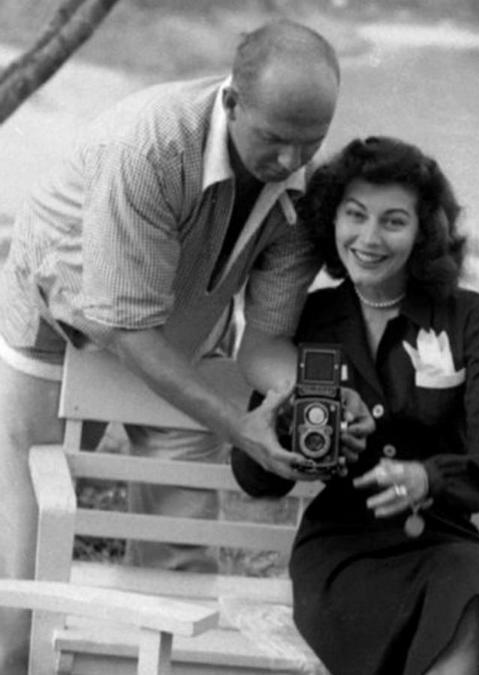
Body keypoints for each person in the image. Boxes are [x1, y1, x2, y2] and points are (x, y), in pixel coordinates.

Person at [0, 20, 365, 673]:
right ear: (230, 102)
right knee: (22, 544)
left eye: (310, 142)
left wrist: (302, 396)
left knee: (179, 544)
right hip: (57, 319)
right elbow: (124, 326)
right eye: (275, 140)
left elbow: (268, 337)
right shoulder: (151, 144)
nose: (291, 162)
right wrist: (234, 423)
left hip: (177, 338)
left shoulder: (307, 191)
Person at [231, 136, 479, 675]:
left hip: (444, 541)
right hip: (342, 553)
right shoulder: (311, 318)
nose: (368, 238)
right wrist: (295, 428)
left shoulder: (475, 320)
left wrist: (427, 478)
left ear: (424, 231)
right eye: (355, 215)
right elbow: (257, 479)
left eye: (393, 221)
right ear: (331, 220)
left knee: (478, 589)